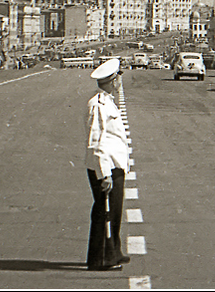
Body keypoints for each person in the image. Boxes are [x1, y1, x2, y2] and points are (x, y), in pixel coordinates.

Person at [85, 58, 130, 271]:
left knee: (115, 211)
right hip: (106, 167)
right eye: (118, 77)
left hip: (114, 165)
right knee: (106, 212)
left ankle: (114, 251)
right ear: (113, 81)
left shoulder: (108, 101)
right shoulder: (99, 105)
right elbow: (97, 141)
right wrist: (104, 175)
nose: (120, 81)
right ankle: (102, 259)